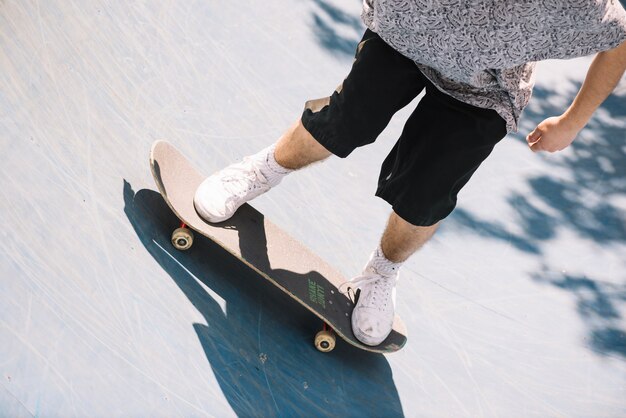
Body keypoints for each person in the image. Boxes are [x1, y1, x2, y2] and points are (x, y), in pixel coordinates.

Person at [194, 0, 626, 346]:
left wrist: (571, 122)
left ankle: (382, 272)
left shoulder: (577, 7)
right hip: (402, 37)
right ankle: (261, 170)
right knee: (344, 124)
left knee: (427, 193)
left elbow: (619, 37)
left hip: (485, 88)